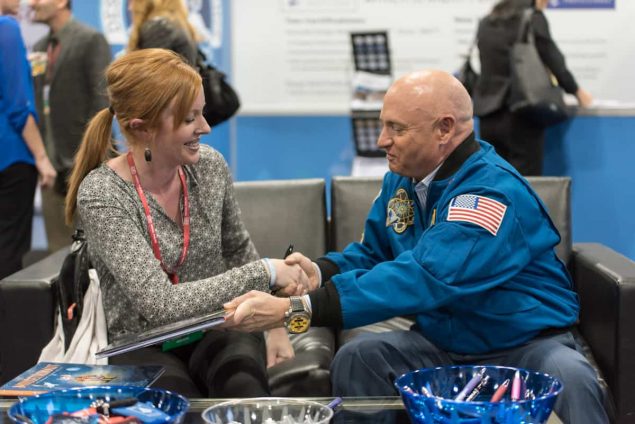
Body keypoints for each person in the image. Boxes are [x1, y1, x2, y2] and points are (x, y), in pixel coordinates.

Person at [224, 70, 610, 423]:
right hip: (443, 343)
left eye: (396, 128)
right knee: (360, 358)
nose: (381, 141)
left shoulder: (489, 193)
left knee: (572, 377)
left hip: (524, 344)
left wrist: (300, 308)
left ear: (444, 129)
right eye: (383, 125)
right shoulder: (404, 180)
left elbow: (426, 275)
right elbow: (375, 253)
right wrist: (319, 273)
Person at [64, 48, 309, 397]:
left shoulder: (209, 167)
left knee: (244, 387)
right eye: (189, 119)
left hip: (216, 328)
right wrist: (266, 272)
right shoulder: (103, 193)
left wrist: (276, 326)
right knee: (173, 402)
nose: (205, 127)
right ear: (142, 128)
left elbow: (237, 248)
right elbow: (160, 305)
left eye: (201, 113)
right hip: (142, 342)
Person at [472, 0, 593, 176]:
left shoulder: (487, 21)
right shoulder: (532, 19)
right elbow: (552, 58)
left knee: (494, 179)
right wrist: (576, 91)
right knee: (526, 181)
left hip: (487, 116)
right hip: (521, 113)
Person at [29, 0, 111, 252]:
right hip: (51, 168)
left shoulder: (90, 40)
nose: (32, 3)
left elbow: (103, 104)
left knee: (94, 250)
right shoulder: (39, 47)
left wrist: (92, 158)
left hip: (85, 163)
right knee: (57, 253)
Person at [0, 6, 57, 280]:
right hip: (11, 158)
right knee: (8, 252)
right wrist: (42, 158)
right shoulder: (6, 29)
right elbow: (19, 107)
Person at [127, 0, 198, 66]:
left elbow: (153, 70)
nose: (130, 8)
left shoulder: (159, 27)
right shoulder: (175, 24)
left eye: (132, 1)